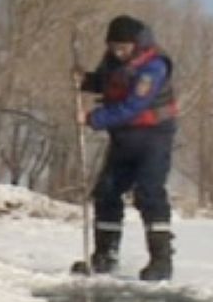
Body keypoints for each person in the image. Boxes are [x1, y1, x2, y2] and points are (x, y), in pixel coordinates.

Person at [74, 14, 178, 280]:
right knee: (107, 192)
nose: (118, 53)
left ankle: (161, 261)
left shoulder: (153, 67)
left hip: (153, 137)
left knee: (148, 192)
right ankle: (104, 256)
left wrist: (93, 119)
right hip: (123, 139)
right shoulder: (113, 62)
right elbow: (108, 83)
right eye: (113, 47)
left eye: (123, 48)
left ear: (136, 44)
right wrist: (85, 80)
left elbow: (134, 105)